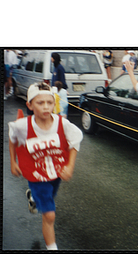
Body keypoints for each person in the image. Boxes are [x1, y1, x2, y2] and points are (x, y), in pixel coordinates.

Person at [8, 82, 83, 250]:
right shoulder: (22, 126)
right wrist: (13, 162)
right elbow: (12, 140)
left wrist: (70, 166)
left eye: (49, 102)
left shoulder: (62, 123)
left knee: (49, 196)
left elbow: (75, 141)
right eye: (40, 103)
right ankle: (52, 249)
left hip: (56, 172)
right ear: (30, 105)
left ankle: (34, 198)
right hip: (35, 174)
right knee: (49, 215)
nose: (46, 107)